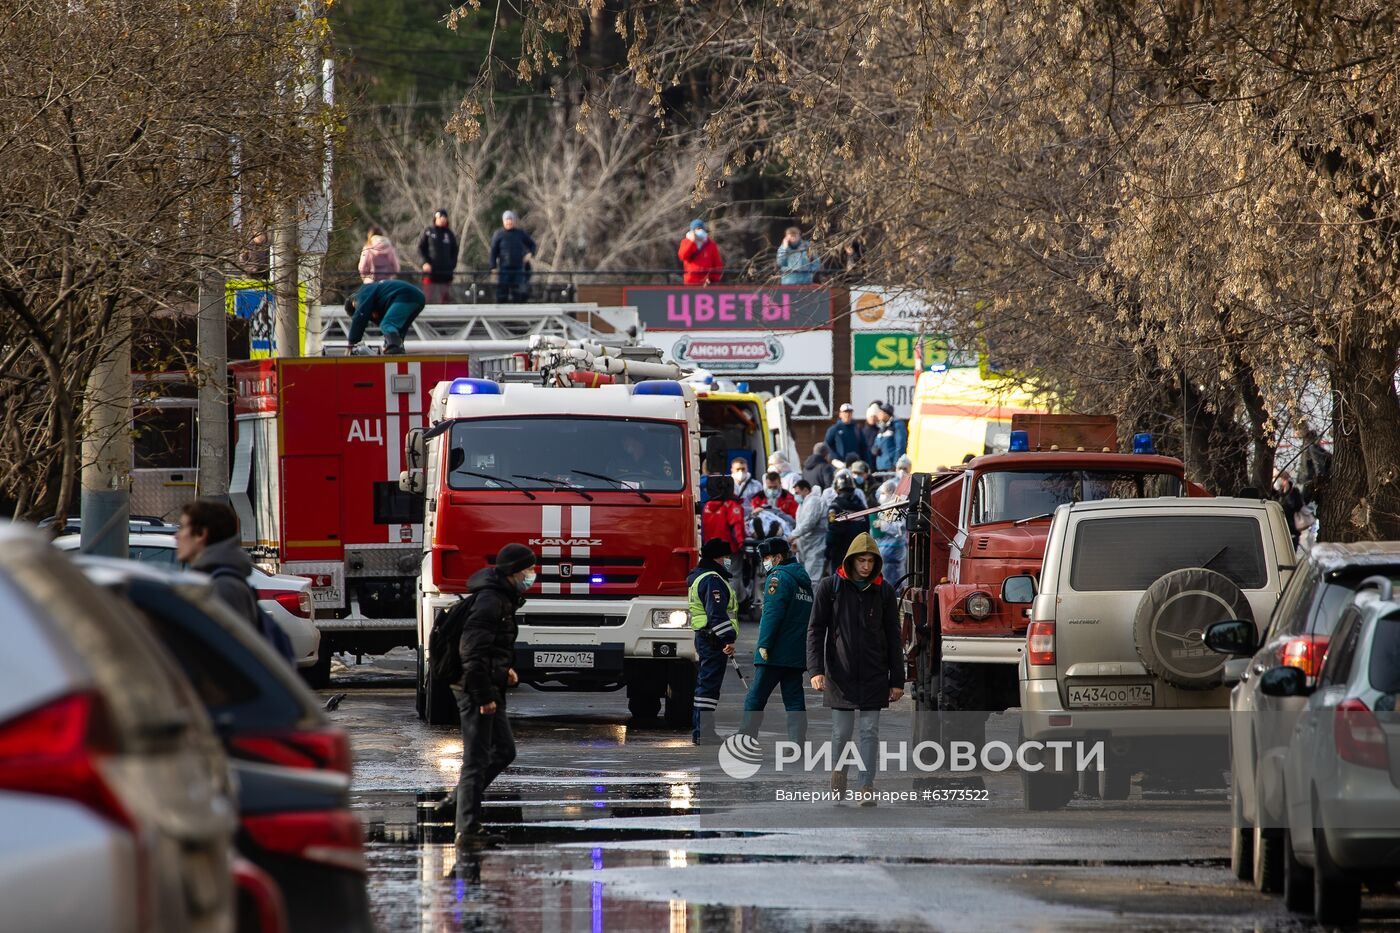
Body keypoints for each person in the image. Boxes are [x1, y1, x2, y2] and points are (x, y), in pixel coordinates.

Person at [807, 533, 903, 804]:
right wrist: (815, 670)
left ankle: (866, 785)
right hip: (840, 673)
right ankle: (839, 776)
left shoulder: (884, 591)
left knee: (869, 731)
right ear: (851, 560)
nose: (866, 566)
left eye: (871, 561)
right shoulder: (830, 587)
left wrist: (897, 680)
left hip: (875, 674)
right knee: (841, 732)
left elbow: (894, 636)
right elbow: (815, 630)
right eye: (861, 560)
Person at [453, 543, 535, 847]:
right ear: (514, 572)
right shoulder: (490, 601)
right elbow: (472, 653)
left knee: (504, 751)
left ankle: (461, 797)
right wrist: (484, 695)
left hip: (490, 682)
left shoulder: (503, 597)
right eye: (528, 569)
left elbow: (493, 649)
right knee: (475, 759)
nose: (532, 574)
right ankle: (468, 830)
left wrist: (506, 670)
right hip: (475, 687)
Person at [739, 538, 814, 743]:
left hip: (774, 652)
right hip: (796, 652)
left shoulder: (778, 578)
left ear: (779, 557)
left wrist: (764, 644)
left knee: (756, 697)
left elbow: (772, 614)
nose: (765, 562)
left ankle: (745, 737)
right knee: (794, 700)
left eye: (767, 557)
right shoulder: (803, 582)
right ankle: (797, 742)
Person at [175, 498, 259, 628]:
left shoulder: (222, 587)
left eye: (182, 527)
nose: (176, 536)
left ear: (201, 534)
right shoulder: (212, 581)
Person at [687, 538, 739, 745]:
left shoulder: (700, 577)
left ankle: (702, 731)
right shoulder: (712, 580)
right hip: (713, 639)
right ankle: (703, 732)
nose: (729, 561)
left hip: (707, 637)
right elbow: (716, 614)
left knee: (705, 686)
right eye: (727, 557)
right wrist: (727, 639)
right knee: (708, 688)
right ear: (718, 558)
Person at [345, 279, 427, 355]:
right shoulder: (377, 294)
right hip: (418, 297)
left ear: (354, 304)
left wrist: (351, 343)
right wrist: (386, 344)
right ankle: (397, 348)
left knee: (387, 324)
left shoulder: (362, 294)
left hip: (405, 295)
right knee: (398, 330)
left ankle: (394, 347)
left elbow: (360, 316)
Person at [825, 474, 869, 571]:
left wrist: (828, 550)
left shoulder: (835, 507)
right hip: (859, 550)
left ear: (837, 489)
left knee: (839, 579)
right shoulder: (862, 507)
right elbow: (867, 530)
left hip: (840, 551)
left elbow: (833, 529)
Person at [490, 211, 536, 303]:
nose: (509, 222)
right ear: (503, 221)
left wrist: (530, 254)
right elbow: (493, 251)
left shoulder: (520, 233)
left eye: (510, 220)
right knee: (502, 293)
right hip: (504, 268)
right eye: (507, 220)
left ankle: (519, 314)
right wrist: (493, 267)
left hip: (518, 268)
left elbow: (532, 245)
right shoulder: (498, 234)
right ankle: (501, 314)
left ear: (514, 221)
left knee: (519, 293)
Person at [417, 208, 459, 304]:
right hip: (431, 273)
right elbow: (420, 248)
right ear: (435, 218)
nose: (442, 219)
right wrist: (425, 262)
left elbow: (454, 252)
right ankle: (426, 318)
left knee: (443, 299)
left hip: (445, 274)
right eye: (440, 217)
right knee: (427, 297)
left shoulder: (449, 234)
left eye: (444, 217)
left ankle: (443, 319)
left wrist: (451, 265)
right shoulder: (429, 232)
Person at [791, 478, 829, 584]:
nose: (796, 496)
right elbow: (800, 525)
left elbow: (809, 523)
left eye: (797, 492)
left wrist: (793, 535)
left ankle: (814, 601)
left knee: (813, 578)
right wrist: (796, 541)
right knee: (804, 578)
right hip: (805, 545)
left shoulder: (814, 501)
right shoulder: (803, 504)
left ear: (806, 490)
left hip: (816, 544)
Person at [870, 480, 907, 587]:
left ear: (891, 493)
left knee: (895, 583)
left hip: (894, 551)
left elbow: (900, 529)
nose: (881, 496)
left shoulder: (898, 509)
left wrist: (882, 525)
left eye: (884, 493)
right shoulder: (883, 509)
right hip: (883, 551)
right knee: (884, 582)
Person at [701, 475, 747, 555]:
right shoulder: (731, 505)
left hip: (710, 550)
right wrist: (741, 544)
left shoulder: (706, 506)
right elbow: (736, 526)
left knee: (715, 567)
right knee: (730, 567)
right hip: (729, 550)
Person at [750, 471, 799, 540]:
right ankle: (761, 535)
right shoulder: (758, 498)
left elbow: (794, 519)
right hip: (763, 521)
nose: (772, 490)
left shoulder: (789, 498)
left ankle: (773, 534)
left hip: (782, 521)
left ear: (780, 484)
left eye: (775, 487)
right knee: (754, 524)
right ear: (765, 485)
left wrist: (780, 513)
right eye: (770, 487)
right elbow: (753, 514)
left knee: (781, 527)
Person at [678, 219, 723, 285]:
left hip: (706, 281)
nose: (699, 231)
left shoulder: (710, 244)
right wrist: (692, 242)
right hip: (690, 280)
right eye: (697, 229)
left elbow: (717, 263)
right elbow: (682, 256)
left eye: (701, 229)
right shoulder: (686, 242)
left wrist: (714, 279)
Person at [1297, 426, 1332, 506]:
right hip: (1309, 482)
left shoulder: (1306, 448)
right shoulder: (1312, 448)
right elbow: (1318, 466)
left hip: (1304, 481)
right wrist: (1321, 480)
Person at [1275, 470, 1307, 550]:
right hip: (1280, 531)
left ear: (1284, 479)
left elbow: (1297, 506)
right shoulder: (1278, 493)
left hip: (1291, 531)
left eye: (1278, 478)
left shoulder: (1294, 492)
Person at [871, 403, 908, 471]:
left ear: (886, 414)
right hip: (880, 466)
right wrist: (874, 449)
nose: (878, 414)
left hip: (891, 466)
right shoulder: (881, 427)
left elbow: (900, 446)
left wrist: (896, 463)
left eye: (880, 412)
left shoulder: (897, 425)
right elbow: (876, 443)